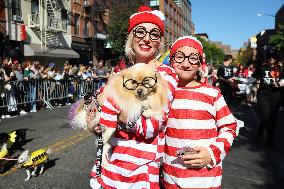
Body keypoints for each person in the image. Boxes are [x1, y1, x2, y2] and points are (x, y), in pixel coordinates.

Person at [89, 6, 178, 189]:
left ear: (159, 42)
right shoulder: (121, 72)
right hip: (111, 162)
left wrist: (114, 117)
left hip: (141, 169)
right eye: (140, 31)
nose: (146, 38)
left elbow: (151, 126)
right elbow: (95, 109)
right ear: (131, 37)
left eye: (154, 34)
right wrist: (98, 121)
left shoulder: (165, 74)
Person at [162, 36, 237, 189]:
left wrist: (212, 153)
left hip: (205, 178)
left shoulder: (212, 93)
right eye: (179, 56)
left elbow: (229, 126)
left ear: (200, 64)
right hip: (170, 178)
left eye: (193, 58)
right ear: (171, 60)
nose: (185, 63)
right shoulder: (163, 93)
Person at [252, 50, 284, 148]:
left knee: (273, 119)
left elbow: (283, 80)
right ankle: (259, 133)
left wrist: (279, 83)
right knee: (266, 117)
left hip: (276, 96)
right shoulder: (261, 68)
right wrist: (256, 84)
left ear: (276, 58)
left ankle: (270, 141)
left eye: (273, 57)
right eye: (269, 57)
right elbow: (255, 78)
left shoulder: (280, 69)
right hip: (263, 95)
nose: (271, 59)